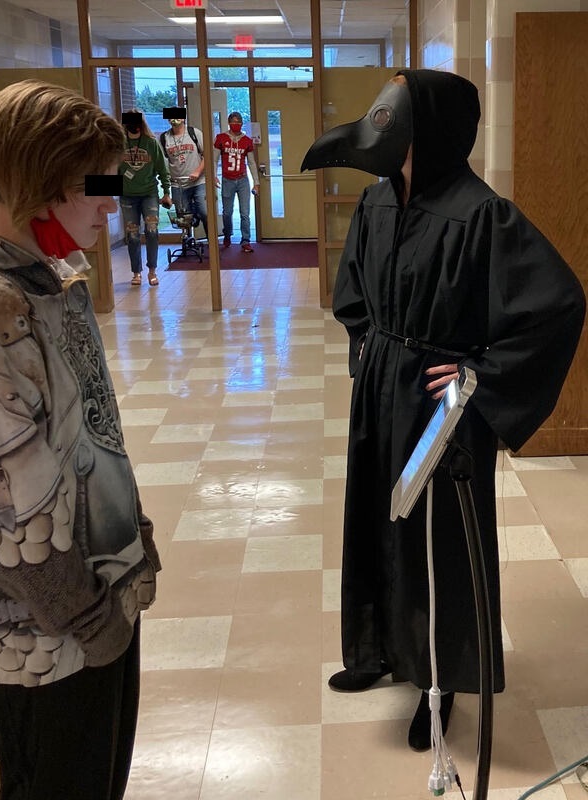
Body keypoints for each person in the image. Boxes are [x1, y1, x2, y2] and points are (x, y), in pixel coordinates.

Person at [301, 69, 585, 752]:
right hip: (380, 390)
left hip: (441, 405)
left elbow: (558, 304)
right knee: (376, 515)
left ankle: (439, 680)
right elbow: (355, 291)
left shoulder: (481, 213)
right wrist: (367, 342)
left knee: (437, 541)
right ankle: (377, 651)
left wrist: (477, 376)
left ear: (433, 128)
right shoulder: (377, 202)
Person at [0, 79, 161, 799]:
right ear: (39, 184)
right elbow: (10, 514)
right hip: (45, 635)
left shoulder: (50, 280)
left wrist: (131, 540)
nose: (106, 203)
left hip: (98, 598)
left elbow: (90, 434)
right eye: (88, 186)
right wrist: (89, 619)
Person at [119, 109, 171, 286]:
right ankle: (136, 272)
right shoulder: (120, 143)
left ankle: (152, 270)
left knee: (152, 231)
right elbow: (113, 169)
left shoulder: (151, 143)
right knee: (132, 235)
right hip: (127, 196)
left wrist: (166, 192)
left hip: (149, 193)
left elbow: (162, 169)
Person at [214, 111, 259, 253]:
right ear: (229, 123)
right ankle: (227, 234)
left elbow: (251, 162)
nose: (236, 124)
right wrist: (214, 175)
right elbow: (214, 159)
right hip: (227, 179)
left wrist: (256, 182)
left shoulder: (246, 141)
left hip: (242, 179)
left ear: (242, 123)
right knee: (227, 212)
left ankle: (246, 240)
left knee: (245, 212)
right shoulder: (221, 138)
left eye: (239, 122)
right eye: (233, 122)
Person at [160, 113, 208, 237]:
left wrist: (198, 171)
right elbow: (162, 162)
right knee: (183, 218)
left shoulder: (194, 133)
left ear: (183, 118)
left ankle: (211, 240)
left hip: (198, 181)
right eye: (171, 118)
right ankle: (188, 241)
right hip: (178, 183)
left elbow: (207, 155)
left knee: (204, 212)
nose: (174, 120)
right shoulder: (164, 138)